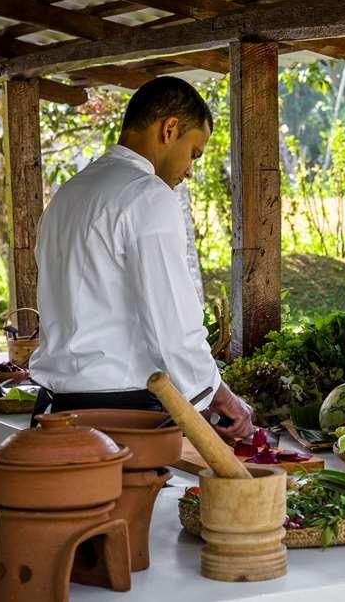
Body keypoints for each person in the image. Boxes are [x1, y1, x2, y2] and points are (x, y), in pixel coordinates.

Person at [27, 77, 254, 443]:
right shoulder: (148, 195)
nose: (190, 170)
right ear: (169, 129)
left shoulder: (69, 194)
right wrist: (215, 393)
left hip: (54, 409)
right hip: (117, 414)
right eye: (193, 153)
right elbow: (172, 319)